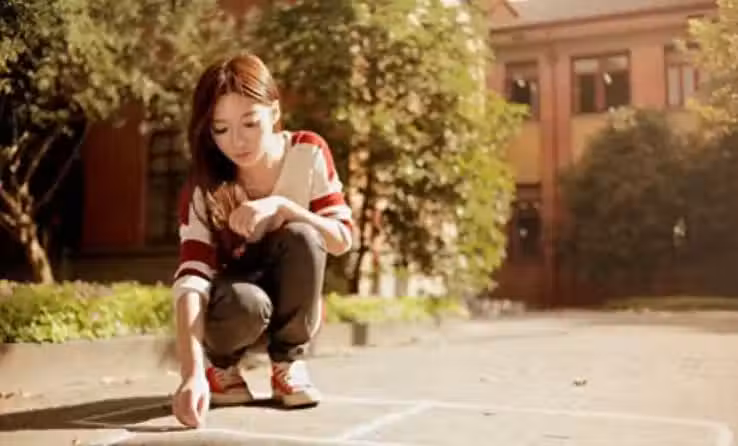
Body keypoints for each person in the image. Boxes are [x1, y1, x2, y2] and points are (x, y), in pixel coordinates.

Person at [170, 53, 353, 428]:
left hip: (292, 304)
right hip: (234, 310)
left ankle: (287, 364)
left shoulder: (308, 152)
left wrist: (284, 207)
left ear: (274, 111)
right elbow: (191, 277)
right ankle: (221, 369)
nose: (237, 141)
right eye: (220, 129)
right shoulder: (204, 186)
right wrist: (191, 373)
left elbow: (341, 239)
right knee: (247, 301)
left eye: (250, 123)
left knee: (304, 233)